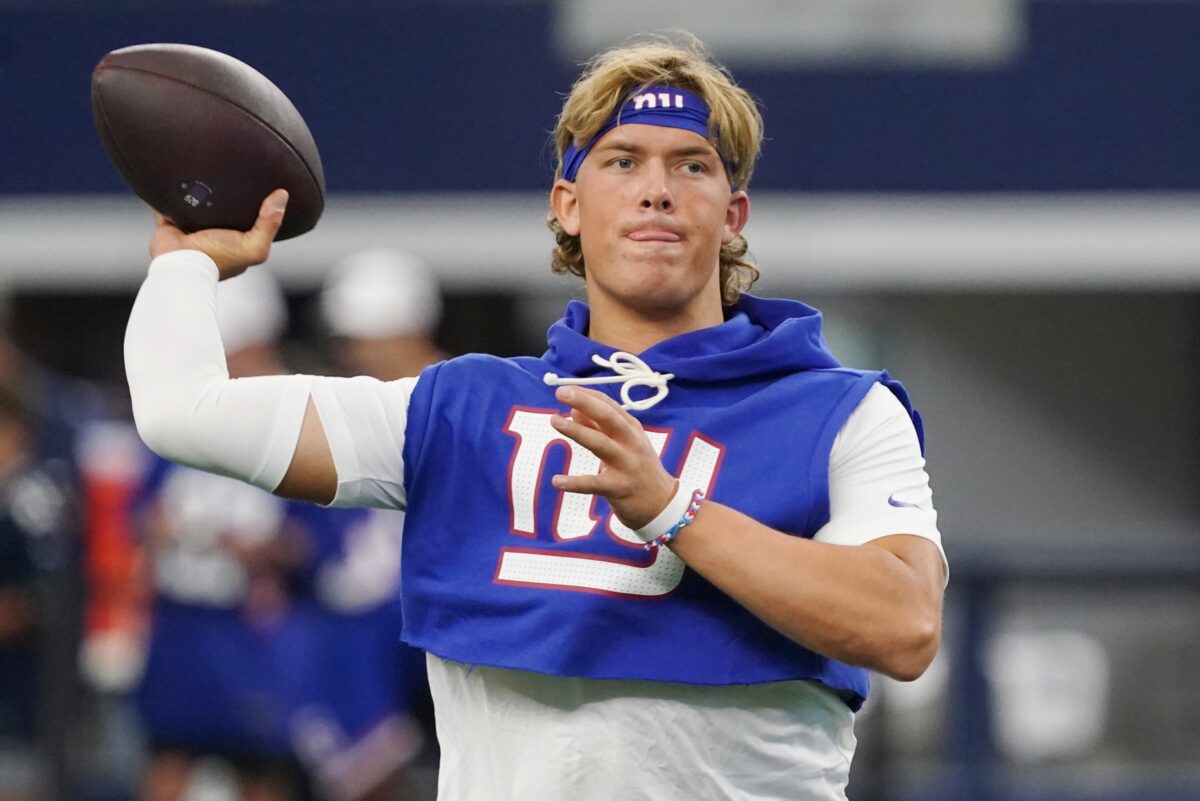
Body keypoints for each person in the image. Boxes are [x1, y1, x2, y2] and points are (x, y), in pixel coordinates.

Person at [124, 36, 947, 801]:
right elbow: (184, 410)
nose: (657, 187)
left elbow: (905, 624)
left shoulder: (840, 409)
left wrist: (673, 511)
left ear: (733, 215)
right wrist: (187, 266)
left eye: (692, 166)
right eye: (623, 161)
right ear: (568, 206)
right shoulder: (459, 407)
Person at [131, 270, 313, 801]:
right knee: (167, 757)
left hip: (253, 635)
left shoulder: (296, 413)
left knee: (259, 767)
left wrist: (269, 552)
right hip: (180, 626)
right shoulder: (185, 413)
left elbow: (317, 538)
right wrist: (155, 528)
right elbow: (144, 513)